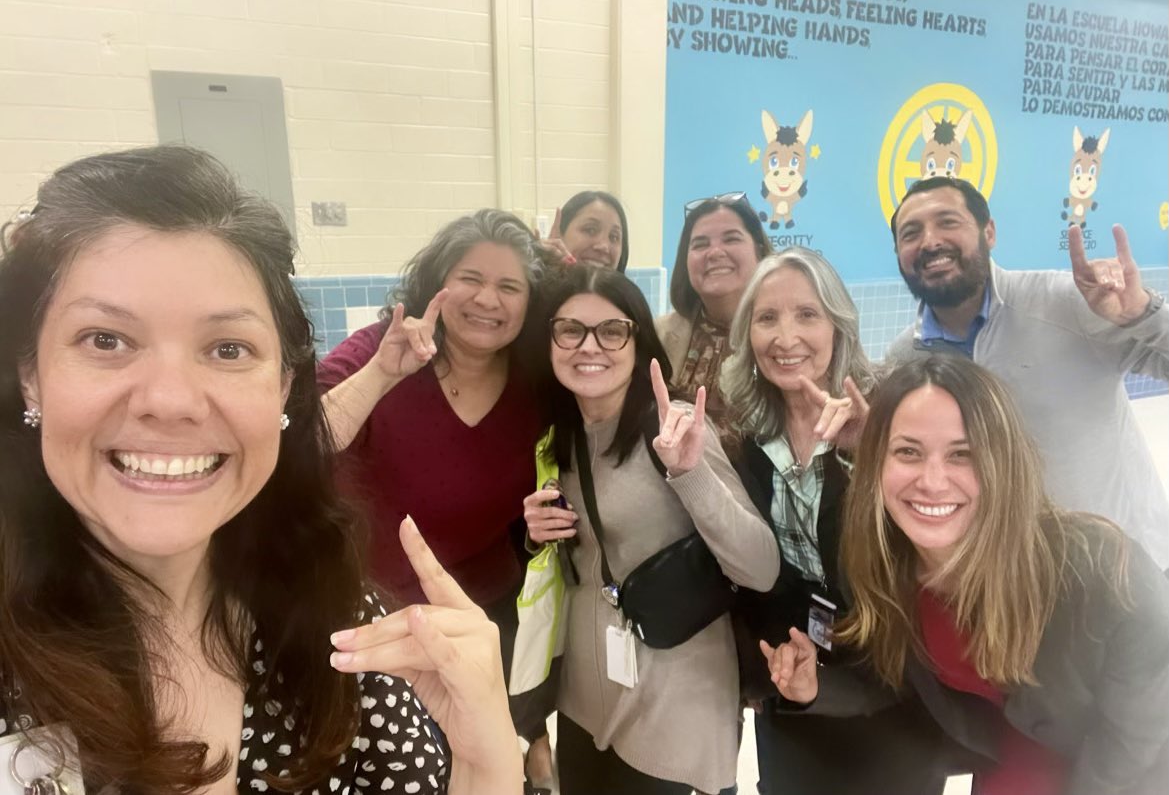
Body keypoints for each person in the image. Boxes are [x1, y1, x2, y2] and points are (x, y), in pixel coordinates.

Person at [0, 146, 522, 794]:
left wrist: (486, 762)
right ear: (30, 377)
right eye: (106, 339)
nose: (170, 400)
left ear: (281, 388)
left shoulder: (342, 631)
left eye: (227, 348)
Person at [766, 355, 1169, 794]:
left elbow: (1140, 742)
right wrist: (814, 686)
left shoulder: (1105, 573)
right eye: (908, 452)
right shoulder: (886, 565)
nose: (933, 481)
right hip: (1013, 753)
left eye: (963, 454)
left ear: (1003, 462)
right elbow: (891, 678)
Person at [314, 210, 552, 788]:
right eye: (470, 278)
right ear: (437, 283)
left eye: (509, 286)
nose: (486, 299)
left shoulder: (537, 383)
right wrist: (381, 374)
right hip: (370, 617)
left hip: (481, 617)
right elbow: (300, 441)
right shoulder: (384, 347)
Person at [521, 265, 779, 795]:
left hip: (674, 710)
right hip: (583, 706)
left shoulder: (675, 428)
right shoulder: (558, 438)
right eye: (570, 329)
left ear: (638, 341)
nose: (589, 346)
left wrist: (691, 475)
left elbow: (760, 568)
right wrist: (533, 533)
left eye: (612, 330)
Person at [722, 250, 952, 795]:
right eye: (767, 317)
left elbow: (935, 541)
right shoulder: (749, 435)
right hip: (795, 670)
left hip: (890, 678)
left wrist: (874, 457)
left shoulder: (888, 414)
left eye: (807, 314)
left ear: (837, 326)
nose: (786, 337)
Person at [884, 176, 1169, 571]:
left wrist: (1142, 314)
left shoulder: (1068, 304)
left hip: (1124, 571)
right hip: (1008, 583)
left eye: (948, 222)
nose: (930, 241)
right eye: (910, 233)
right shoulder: (905, 358)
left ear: (989, 232)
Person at [657, 193, 772, 432]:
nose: (715, 252)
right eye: (700, 244)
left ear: (759, 252)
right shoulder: (658, 336)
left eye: (731, 239)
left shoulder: (788, 338)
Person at [538, 191, 629, 271]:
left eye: (614, 237)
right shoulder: (535, 287)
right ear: (561, 235)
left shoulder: (628, 290)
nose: (603, 247)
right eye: (590, 230)